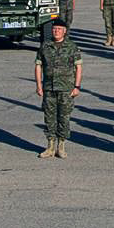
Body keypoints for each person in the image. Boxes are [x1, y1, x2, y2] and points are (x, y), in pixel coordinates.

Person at [34, 20, 82, 159]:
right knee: (49, 117)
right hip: (49, 88)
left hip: (66, 88)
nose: (56, 31)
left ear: (64, 31)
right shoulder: (45, 46)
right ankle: (50, 146)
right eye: (55, 29)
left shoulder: (71, 47)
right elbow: (38, 66)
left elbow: (78, 67)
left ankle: (61, 146)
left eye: (59, 29)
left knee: (64, 117)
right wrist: (38, 85)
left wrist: (77, 86)